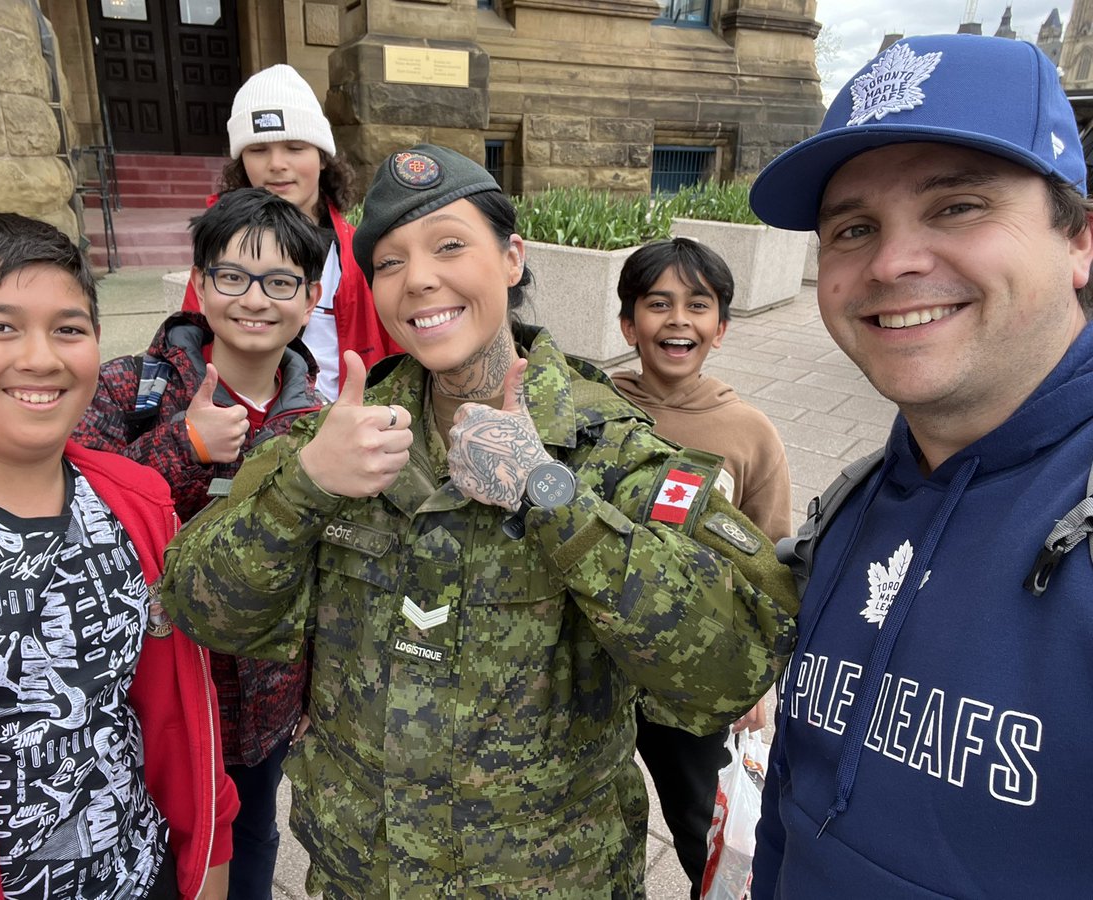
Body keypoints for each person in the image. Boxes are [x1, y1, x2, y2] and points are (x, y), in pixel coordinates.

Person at [160, 142, 800, 897]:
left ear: (512, 258)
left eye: (449, 245)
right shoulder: (333, 441)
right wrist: (303, 489)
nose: (419, 277)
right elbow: (199, 607)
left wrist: (550, 498)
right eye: (390, 262)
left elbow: (732, 670)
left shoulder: (609, 447)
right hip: (362, 876)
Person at [745, 33, 1093, 897]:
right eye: (854, 228)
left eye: (958, 207)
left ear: (1080, 238)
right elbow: (794, 799)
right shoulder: (855, 505)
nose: (893, 263)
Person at [0, 212, 239, 899]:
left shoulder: (137, 504)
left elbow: (172, 711)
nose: (42, 358)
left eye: (69, 329)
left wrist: (208, 853)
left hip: (143, 874)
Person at [73, 188, 327, 900]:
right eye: (232, 276)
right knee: (147, 844)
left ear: (309, 299)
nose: (255, 299)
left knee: (251, 838)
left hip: (264, 705)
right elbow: (76, 508)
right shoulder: (130, 387)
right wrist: (183, 444)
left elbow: (327, 568)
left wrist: (317, 683)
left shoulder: (316, 421)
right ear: (201, 282)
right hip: (146, 695)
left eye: (280, 282)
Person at [612, 237, 792, 896]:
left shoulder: (749, 432)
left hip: (691, 681)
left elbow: (772, 564)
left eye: (698, 304)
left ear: (720, 327)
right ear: (629, 323)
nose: (677, 319)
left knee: (708, 834)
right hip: (591, 671)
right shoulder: (591, 413)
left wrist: (760, 677)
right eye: (657, 303)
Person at [179, 63, 398, 400]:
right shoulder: (218, 249)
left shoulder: (362, 250)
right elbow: (190, 349)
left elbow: (399, 350)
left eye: (295, 148)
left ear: (323, 158)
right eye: (258, 149)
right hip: (245, 429)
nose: (277, 163)